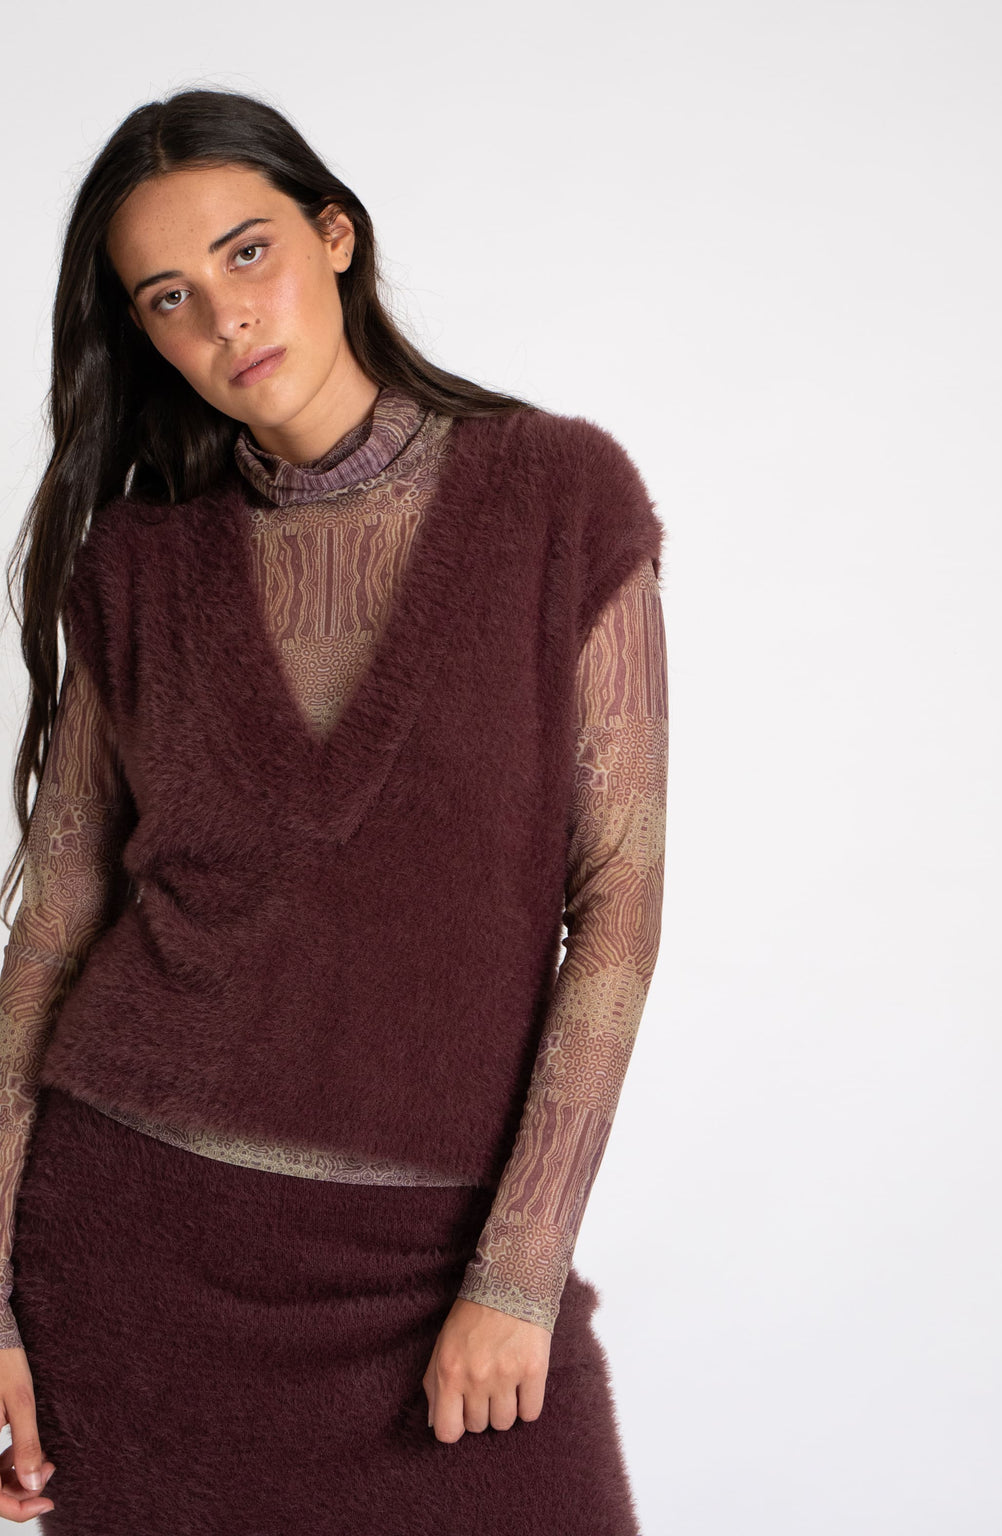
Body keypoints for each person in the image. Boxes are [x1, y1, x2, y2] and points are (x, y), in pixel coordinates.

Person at [0, 87, 668, 1533]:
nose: (224, 317)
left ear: (336, 235)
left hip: (440, 1268)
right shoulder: (137, 570)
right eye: (168, 298)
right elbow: (52, 932)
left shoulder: (561, 498)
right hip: (135, 1257)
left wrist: (517, 1277)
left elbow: (616, 904)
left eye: (247, 253)